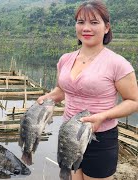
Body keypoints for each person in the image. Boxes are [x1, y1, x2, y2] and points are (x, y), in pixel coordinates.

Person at [37, 1, 138, 180]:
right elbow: (62, 90)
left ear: (106, 27)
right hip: (68, 134)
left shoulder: (118, 63)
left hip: (100, 138)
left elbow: (133, 101)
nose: (86, 28)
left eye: (94, 22)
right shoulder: (65, 59)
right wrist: (48, 97)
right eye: (81, 22)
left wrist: (102, 116)